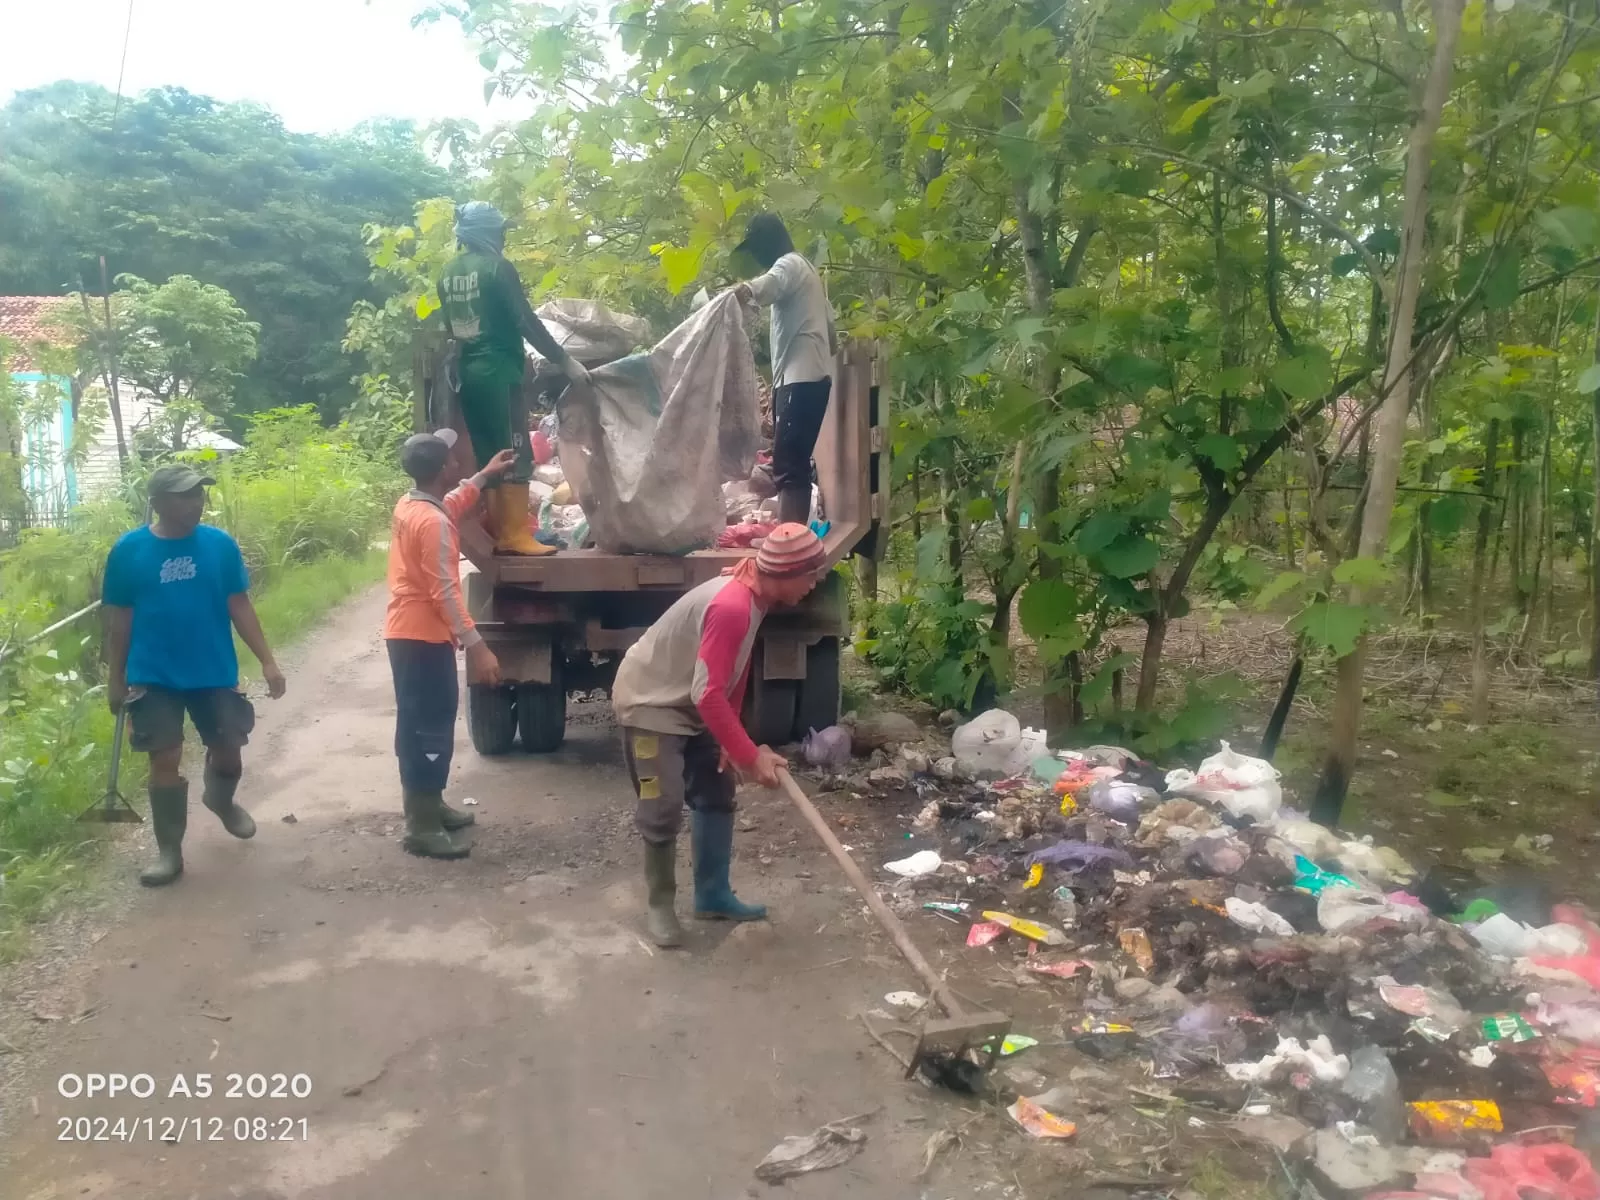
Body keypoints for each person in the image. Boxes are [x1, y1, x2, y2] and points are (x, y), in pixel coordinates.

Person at [612, 524, 828, 947]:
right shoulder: (733, 605)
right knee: (663, 803)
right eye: (811, 575)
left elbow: (732, 669)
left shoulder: (756, 595)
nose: (814, 584)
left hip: (691, 697)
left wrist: (734, 741)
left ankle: (712, 896)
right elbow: (707, 692)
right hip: (650, 702)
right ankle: (660, 906)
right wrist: (750, 755)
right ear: (785, 573)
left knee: (716, 788)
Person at [103, 464, 286, 888]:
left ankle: (221, 800)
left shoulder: (219, 546)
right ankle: (170, 851)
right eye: (184, 495)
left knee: (228, 751)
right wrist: (116, 677)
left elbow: (239, 605)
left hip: (212, 669)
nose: (195, 503)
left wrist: (267, 660)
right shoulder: (129, 551)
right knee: (164, 757)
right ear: (157, 502)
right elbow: (120, 620)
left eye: (198, 494)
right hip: (154, 674)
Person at [384, 431, 518, 859]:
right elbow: (444, 592)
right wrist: (479, 647)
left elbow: (452, 502)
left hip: (411, 634)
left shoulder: (413, 504)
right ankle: (420, 826)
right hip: (421, 637)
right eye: (452, 460)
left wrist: (484, 475)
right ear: (443, 469)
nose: (457, 463)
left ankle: (428, 805)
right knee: (426, 727)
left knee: (425, 723)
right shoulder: (433, 523)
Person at [437, 200, 589, 557]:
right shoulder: (498, 268)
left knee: (489, 451)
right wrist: (564, 360)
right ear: (486, 232)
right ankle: (515, 534)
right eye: (499, 231)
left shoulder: (447, 273)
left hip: (467, 375)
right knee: (516, 450)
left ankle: (498, 529)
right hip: (500, 371)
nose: (502, 238)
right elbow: (525, 321)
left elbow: (451, 327)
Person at [731, 214, 838, 525]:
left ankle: (790, 539)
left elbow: (770, 284)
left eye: (756, 248)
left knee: (790, 466)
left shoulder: (789, 264)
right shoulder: (807, 272)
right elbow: (832, 333)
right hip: (808, 378)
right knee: (793, 462)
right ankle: (793, 536)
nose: (756, 257)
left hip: (800, 379)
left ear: (768, 243)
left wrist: (743, 291)